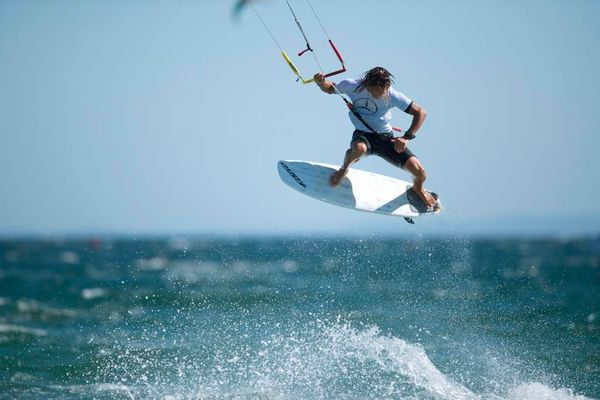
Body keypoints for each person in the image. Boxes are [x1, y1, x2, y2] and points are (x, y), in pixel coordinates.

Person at [313, 66, 438, 209]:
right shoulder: (353, 86)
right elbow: (330, 89)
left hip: (386, 138)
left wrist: (406, 137)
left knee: (420, 172)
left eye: (385, 90)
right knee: (359, 149)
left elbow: (421, 112)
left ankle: (418, 188)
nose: (383, 94)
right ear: (367, 85)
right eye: (378, 91)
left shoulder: (392, 95)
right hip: (363, 134)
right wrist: (321, 82)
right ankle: (344, 169)